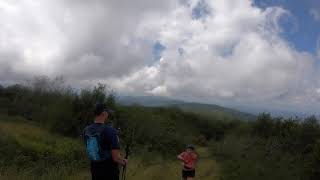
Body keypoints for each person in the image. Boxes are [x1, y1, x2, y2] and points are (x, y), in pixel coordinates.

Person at [83, 103, 128, 180]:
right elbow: (115, 158)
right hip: (109, 172)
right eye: (107, 112)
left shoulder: (86, 130)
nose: (108, 114)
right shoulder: (111, 131)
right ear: (104, 113)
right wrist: (124, 162)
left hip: (94, 170)